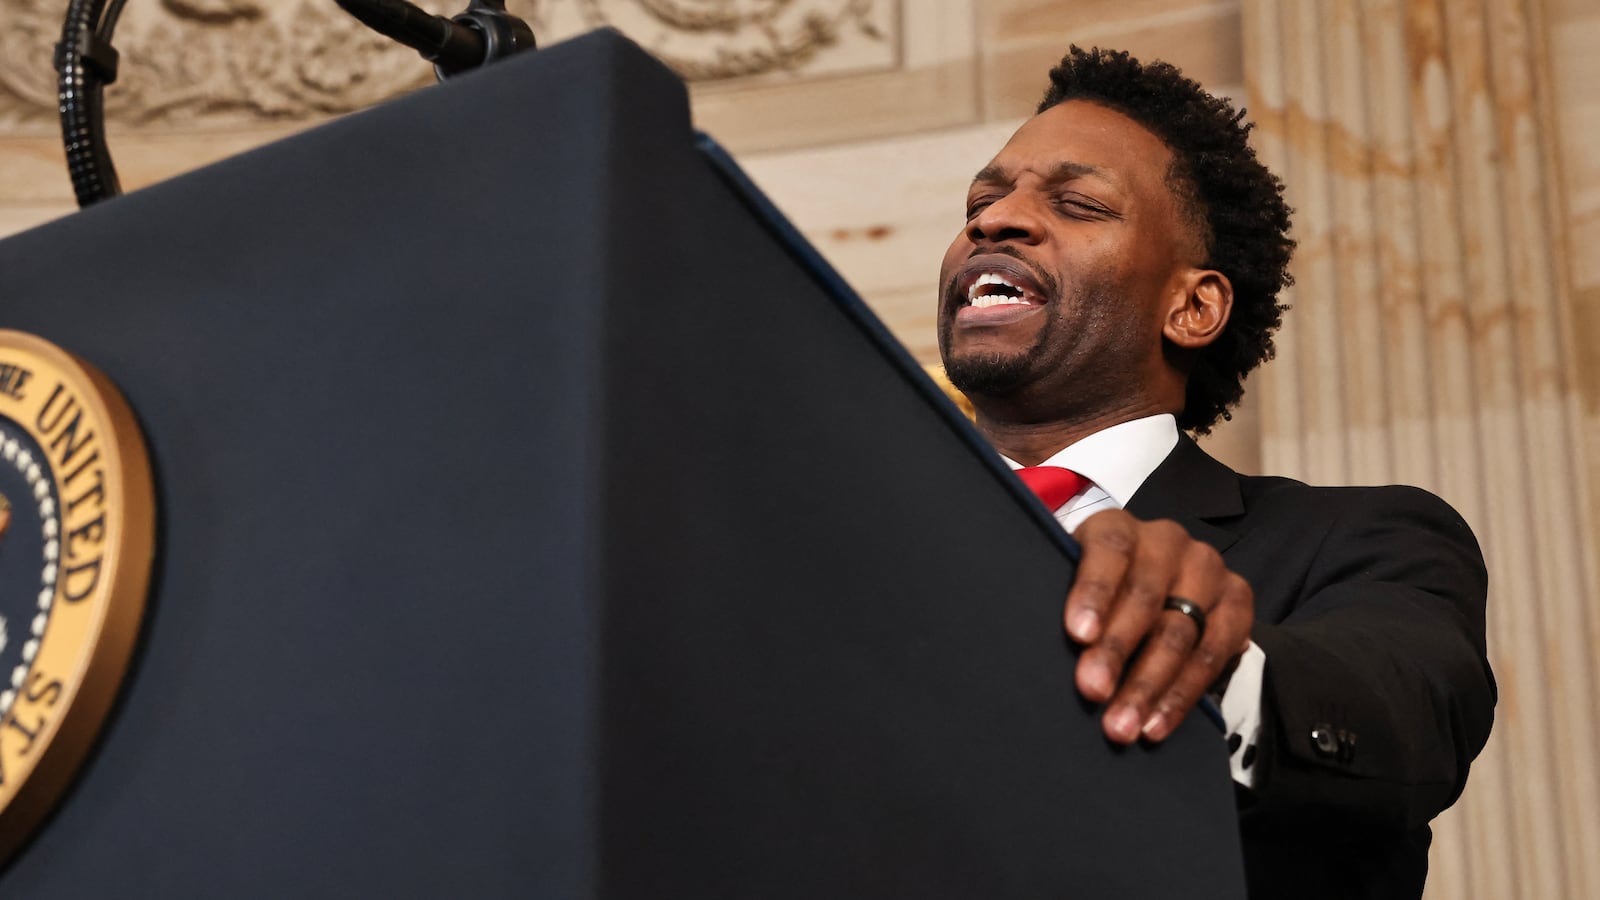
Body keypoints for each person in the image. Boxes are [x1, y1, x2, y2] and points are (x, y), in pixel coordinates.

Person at [937, 46, 1495, 899]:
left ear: (1192, 307)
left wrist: (1205, 661)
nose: (995, 221)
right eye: (983, 200)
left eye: (1079, 203)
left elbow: (1409, 710)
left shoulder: (1357, 537)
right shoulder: (855, 544)